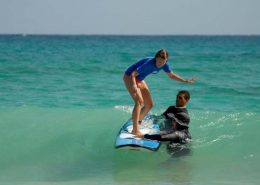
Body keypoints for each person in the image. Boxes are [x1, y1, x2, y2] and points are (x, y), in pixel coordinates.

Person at [123, 49, 196, 136]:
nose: (159, 64)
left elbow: (171, 75)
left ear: (166, 61)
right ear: (155, 59)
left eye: (162, 62)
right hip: (130, 77)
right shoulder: (149, 64)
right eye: (158, 61)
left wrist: (185, 80)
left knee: (149, 104)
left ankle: (137, 121)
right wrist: (134, 85)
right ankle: (135, 130)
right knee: (139, 102)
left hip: (139, 79)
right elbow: (133, 74)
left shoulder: (164, 65)